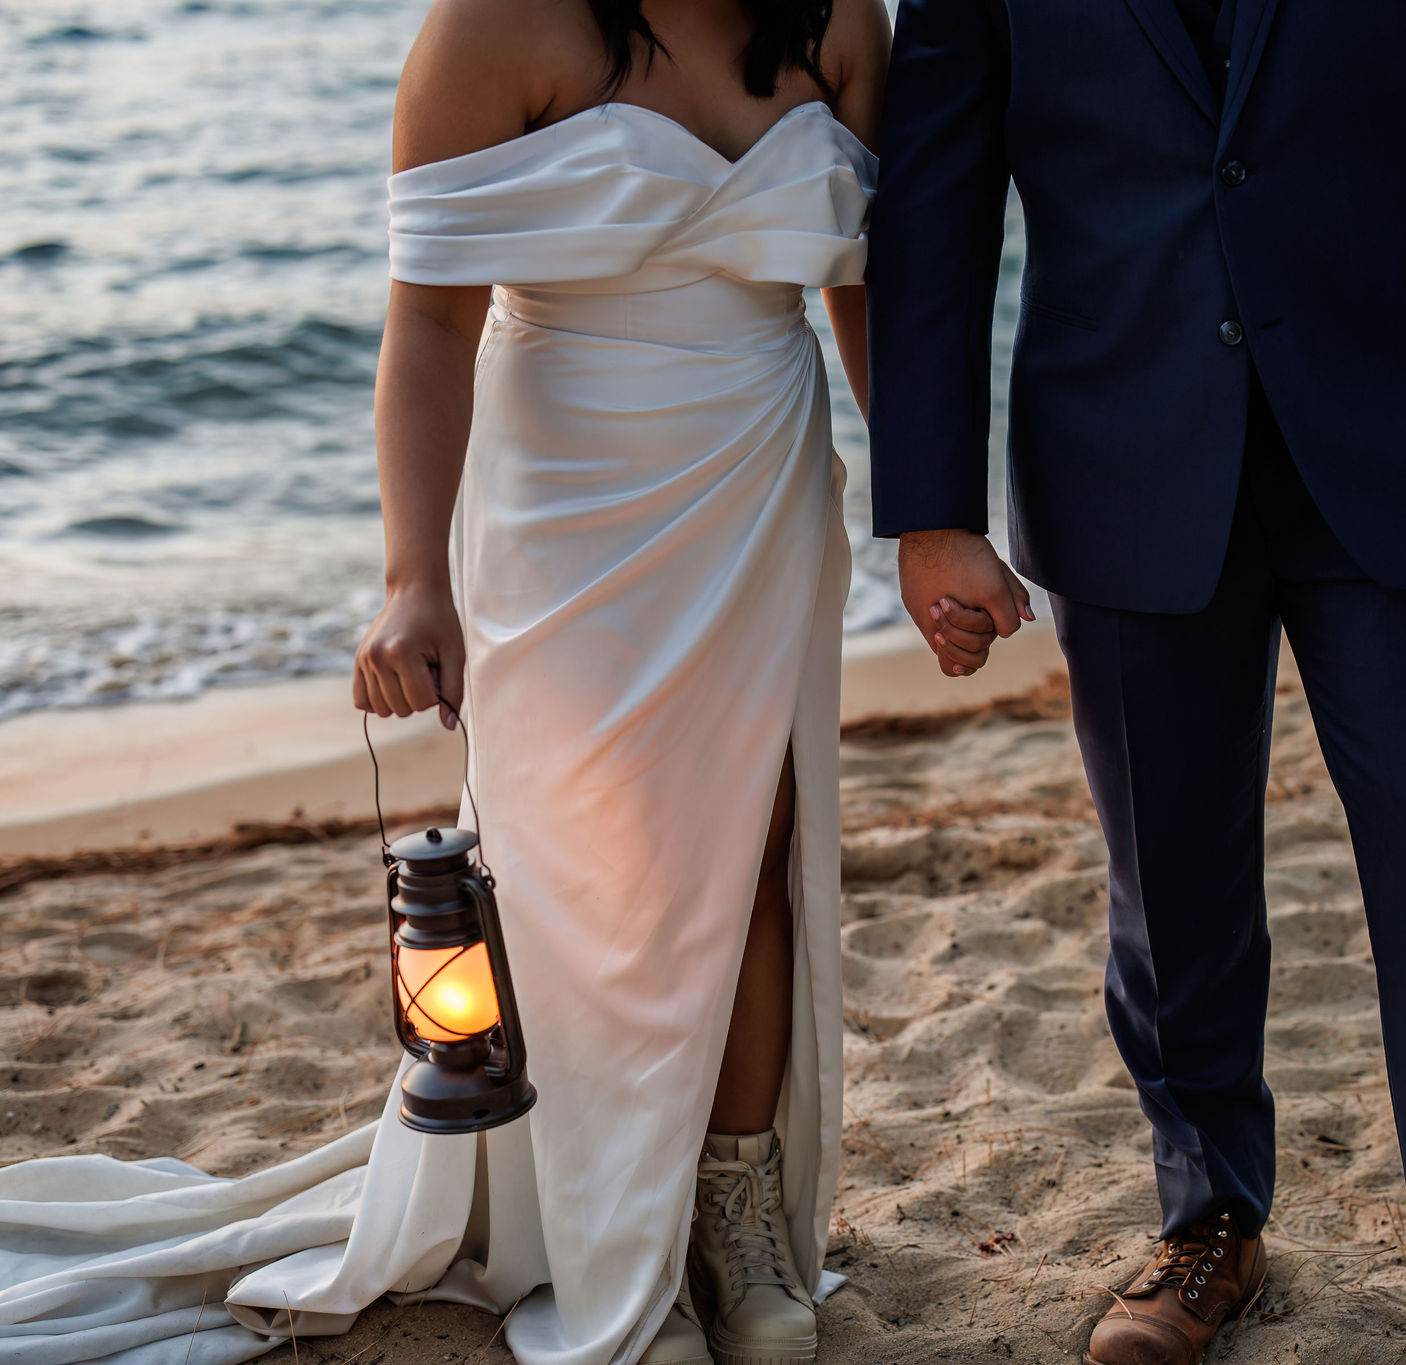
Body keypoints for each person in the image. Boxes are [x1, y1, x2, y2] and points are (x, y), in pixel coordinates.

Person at [0, 3, 887, 1363]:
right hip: (565, 508)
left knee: (753, 853)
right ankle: (594, 1223)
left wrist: (937, 514)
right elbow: (425, 320)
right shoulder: (495, 28)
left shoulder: (835, 20)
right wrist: (416, 576)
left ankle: (732, 1209)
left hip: (758, 484)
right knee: (587, 873)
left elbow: (867, 290)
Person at [864, 2, 1406, 1364]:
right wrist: (931, 507)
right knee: (1172, 883)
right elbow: (935, 191)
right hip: (1121, 449)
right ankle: (1209, 1220)